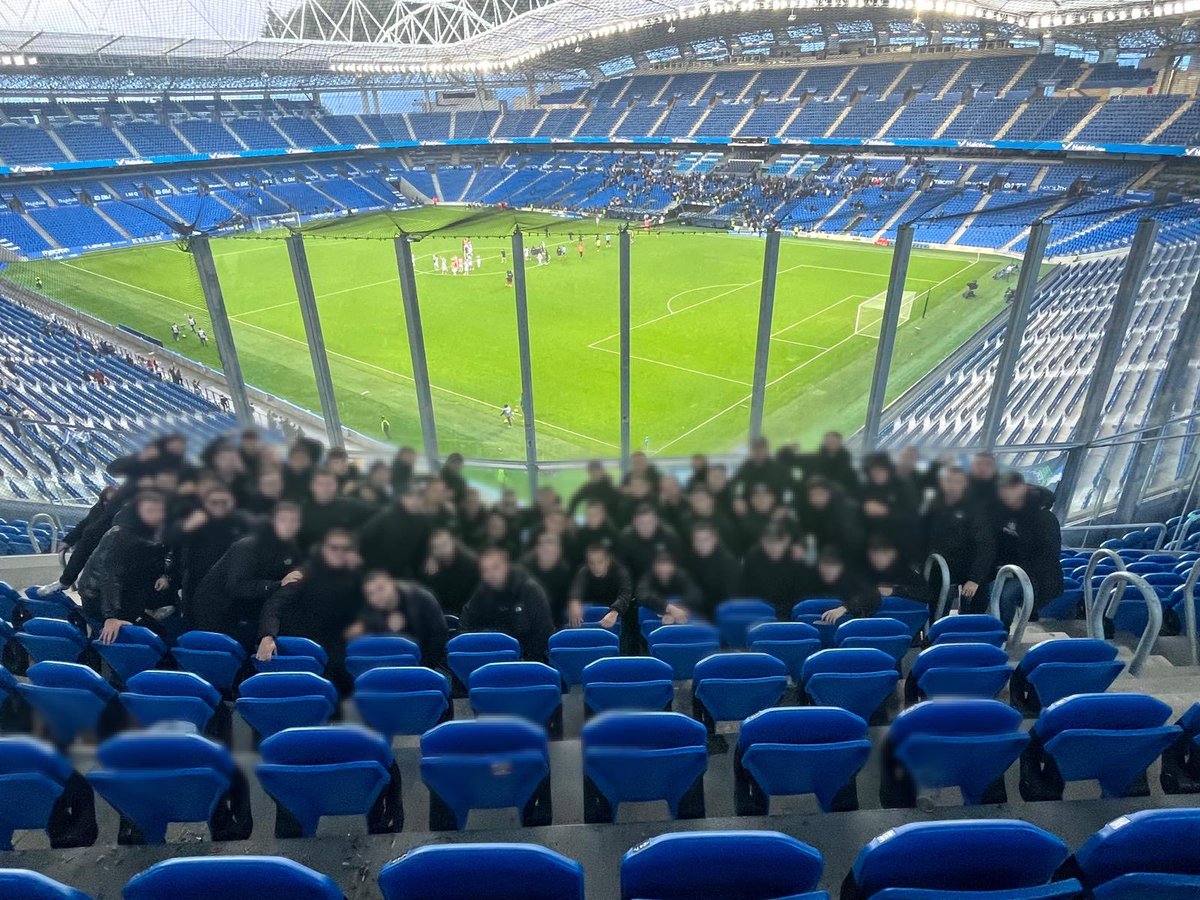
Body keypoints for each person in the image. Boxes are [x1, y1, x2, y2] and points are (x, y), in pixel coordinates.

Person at [256, 528, 363, 690]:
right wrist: (267, 636)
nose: (339, 553)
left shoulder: (354, 577)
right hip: (300, 647)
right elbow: (274, 605)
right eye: (334, 548)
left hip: (334, 648)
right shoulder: (305, 573)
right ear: (323, 549)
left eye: (345, 549)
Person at [189, 501, 303, 639]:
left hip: (245, 605)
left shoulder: (291, 549)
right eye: (283, 520)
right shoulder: (248, 546)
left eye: (293, 521)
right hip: (215, 606)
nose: (288, 525)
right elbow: (236, 586)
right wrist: (277, 584)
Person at [76, 491, 173, 646]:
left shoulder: (151, 532)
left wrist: (165, 576)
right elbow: (110, 576)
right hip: (99, 600)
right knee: (157, 638)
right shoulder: (119, 535)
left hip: (126, 598)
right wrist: (111, 616)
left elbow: (157, 559)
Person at [165, 484, 250, 621]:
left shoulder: (242, 523)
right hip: (195, 589)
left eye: (224, 502)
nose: (219, 506)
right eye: (214, 503)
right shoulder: (195, 522)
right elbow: (170, 541)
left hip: (231, 593)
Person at [991, 472, 1064, 625]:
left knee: (1005, 595)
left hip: (1035, 576)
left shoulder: (1045, 519)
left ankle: (1001, 633)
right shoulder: (1006, 514)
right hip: (1007, 569)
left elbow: (1048, 555)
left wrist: (1016, 571)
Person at [460, 547, 554, 662]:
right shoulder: (483, 591)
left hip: (528, 658)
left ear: (506, 567)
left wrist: (526, 660)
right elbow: (466, 622)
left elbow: (544, 630)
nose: (490, 574)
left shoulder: (529, 589)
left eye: (495, 568)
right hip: (493, 656)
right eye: (485, 570)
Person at [923, 465, 995, 613]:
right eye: (949, 481)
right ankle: (934, 632)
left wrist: (975, 579)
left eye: (957, 482)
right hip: (940, 566)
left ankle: (970, 632)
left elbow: (985, 545)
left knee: (975, 602)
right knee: (935, 604)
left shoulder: (976, 509)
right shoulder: (933, 506)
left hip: (969, 566)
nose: (952, 486)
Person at [349, 571, 449, 669]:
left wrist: (423, 667)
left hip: (427, 663)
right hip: (386, 667)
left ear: (392, 583)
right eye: (370, 594)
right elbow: (372, 647)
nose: (377, 596)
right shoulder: (368, 611)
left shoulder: (423, 599)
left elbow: (439, 635)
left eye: (381, 588)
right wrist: (387, 628)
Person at [359, 481, 433, 579]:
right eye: (410, 496)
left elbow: (423, 547)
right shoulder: (386, 516)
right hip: (379, 571)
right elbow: (365, 537)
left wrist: (430, 557)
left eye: (419, 497)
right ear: (402, 497)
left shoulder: (423, 522)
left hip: (406, 571)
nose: (415, 501)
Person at [741, 524, 813, 618]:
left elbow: (802, 596)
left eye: (778, 542)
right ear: (762, 541)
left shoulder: (796, 560)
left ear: (786, 541)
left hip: (789, 615)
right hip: (758, 613)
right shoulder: (752, 559)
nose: (773, 547)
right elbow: (746, 592)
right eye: (769, 542)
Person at [805, 546, 882, 627]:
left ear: (841, 567)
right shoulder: (809, 582)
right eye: (824, 564)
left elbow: (873, 595)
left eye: (833, 565)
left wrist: (845, 608)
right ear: (818, 566)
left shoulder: (852, 582)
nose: (828, 569)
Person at [566, 540, 631, 630]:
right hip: (590, 614)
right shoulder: (584, 571)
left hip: (615, 615)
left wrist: (615, 611)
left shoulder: (620, 572)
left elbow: (625, 595)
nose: (596, 567)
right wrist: (574, 602)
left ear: (608, 561)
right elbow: (576, 589)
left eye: (600, 562)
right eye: (592, 563)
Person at [419, 527, 480, 616]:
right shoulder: (431, 566)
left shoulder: (471, 564)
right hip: (443, 612)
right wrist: (432, 576)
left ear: (453, 542)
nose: (442, 550)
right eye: (436, 547)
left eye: (444, 544)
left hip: (466, 612)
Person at [686, 520, 741, 618]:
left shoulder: (728, 563)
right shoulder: (690, 561)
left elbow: (732, 598)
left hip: (722, 615)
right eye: (697, 540)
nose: (701, 544)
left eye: (706, 539)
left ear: (715, 539)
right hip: (696, 614)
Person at [636, 546, 700, 626]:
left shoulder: (681, 576)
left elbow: (695, 594)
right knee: (642, 611)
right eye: (660, 565)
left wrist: (677, 610)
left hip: (681, 610)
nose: (664, 569)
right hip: (657, 609)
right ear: (654, 567)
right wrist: (668, 608)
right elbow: (642, 594)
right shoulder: (649, 577)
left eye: (667, 565)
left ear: (673, 566)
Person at [521, 531, 573, 625]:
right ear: (537, 549)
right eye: (545, 550)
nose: (549, 555)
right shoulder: (524, 567)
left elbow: (566, 598)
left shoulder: (564, 570)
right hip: (527, 616)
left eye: (552, 551)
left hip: (554, 616)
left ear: (559, 552)